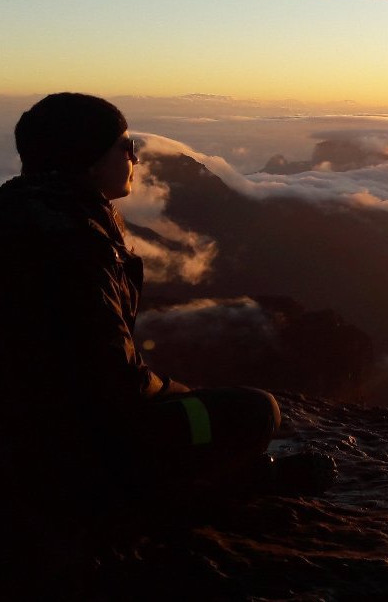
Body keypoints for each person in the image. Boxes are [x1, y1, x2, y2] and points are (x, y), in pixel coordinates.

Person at [0, 94, 332, 544]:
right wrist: (176, 395)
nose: (135, 156)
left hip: (29, 433)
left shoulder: (26, 216)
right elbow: (111, 380)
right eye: (125, 144)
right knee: (255, 411)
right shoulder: (74, 245)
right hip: (60, 449)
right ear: (91, 159)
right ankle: (215, 489)